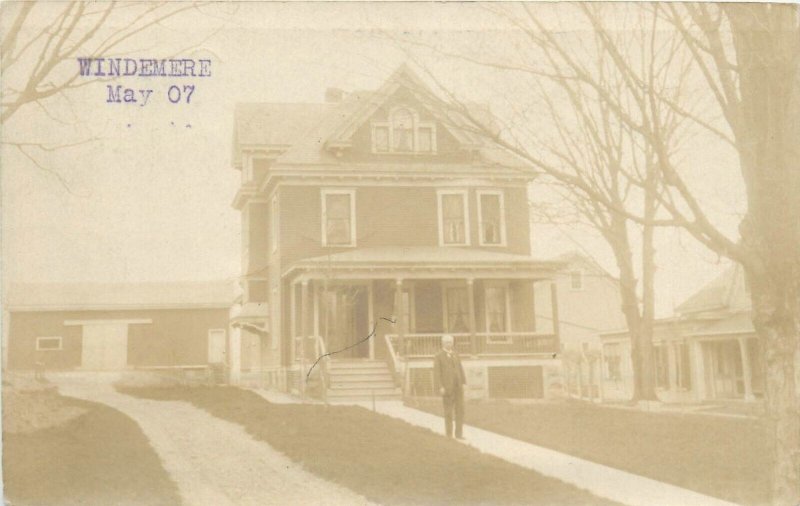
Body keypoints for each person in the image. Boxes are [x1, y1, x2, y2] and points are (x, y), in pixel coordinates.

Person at [433, 334, 466, 439]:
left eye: (451, 342)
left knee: (460, 411)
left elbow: (460, 369)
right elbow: (436, 373)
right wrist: (440, 386)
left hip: (458, 387)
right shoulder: (438, 356)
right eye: (447, 342)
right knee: (448, 411)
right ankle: (449, 434)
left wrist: (463, 383)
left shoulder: (456, 355)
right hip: (447, 388)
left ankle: (459, 434)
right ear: (443, 343)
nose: (449, 344)